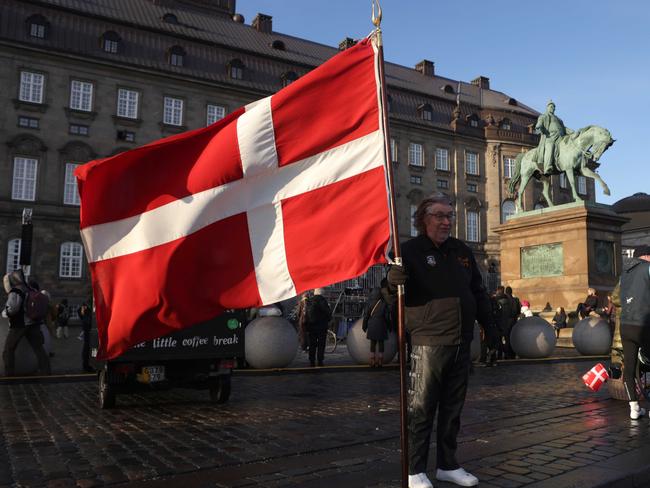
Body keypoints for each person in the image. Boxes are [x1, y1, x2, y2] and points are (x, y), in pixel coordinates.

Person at [387, 193, 498, 488]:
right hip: (428, 341)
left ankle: (447, 465)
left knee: (453, 408)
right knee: (422, 408)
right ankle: (415, 470)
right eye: (440, 215)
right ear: (423, 219)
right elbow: (389, 298)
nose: (447, 221)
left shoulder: (461, 250)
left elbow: (477, 290)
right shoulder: (409, 251)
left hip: (462, 339)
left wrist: (490, 326)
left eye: (450, 216)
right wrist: (390, 282)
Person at [618, 245, 650, 420]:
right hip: (644, 323)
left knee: (629, 366)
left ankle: (634, 408)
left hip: (626, 325)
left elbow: (617, 298)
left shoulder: (624, 274)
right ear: (646, 256)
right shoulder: (648, 268)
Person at [2, 271, 51, 376]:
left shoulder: (15, 291)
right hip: (34, 323)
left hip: (19, 325)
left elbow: (12, 309)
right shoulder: (30, 289)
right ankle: (46, 371)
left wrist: (4, 313)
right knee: (39, 349)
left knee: (8, 350)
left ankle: (9, 374)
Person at [535, 100, 571, 176]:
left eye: (554, 107)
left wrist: (573, 132)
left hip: (561, 137)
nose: (553, 108)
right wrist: (539, 126)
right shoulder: (544, 116)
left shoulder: (559, 119)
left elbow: (565, 128)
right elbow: (539, 123)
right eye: (551, 107)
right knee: (550, 147)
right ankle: (547, 166)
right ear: (547, 107)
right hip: (550, 137)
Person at [362, 278, 393, 367]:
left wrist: (364, 326)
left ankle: (372, 361)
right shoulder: (383, 303)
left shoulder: (369, 303)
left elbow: (366, 316)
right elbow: (387, 317)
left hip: (372, 325)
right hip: (382, 325)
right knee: (381, 344)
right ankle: (380, 361)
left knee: (372, 344)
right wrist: (389, 327)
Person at [297, 288, 331, 367]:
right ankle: (320, 360)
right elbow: (328, 313)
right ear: (322, 293)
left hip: (311, 327)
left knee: (312, 344)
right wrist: (328, 320)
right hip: (322, 327)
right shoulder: (323, 301)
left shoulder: (310, 301)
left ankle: (311, 360)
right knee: (321, 344)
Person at [493, 286, 513, 361]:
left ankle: (499, 355)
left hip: (499, 323)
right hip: (507, 323)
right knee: (507, 340)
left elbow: (496, 313)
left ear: (498, 291)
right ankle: (507, 355)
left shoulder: (497, 302)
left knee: (498, 340)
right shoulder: (509, 301)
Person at [79, 301, 93, 372]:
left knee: (87, 351)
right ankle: (87, 366)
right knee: (87, 351)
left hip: (88, 335)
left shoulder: (87, 316)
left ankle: (87, 366)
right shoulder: (87, 315)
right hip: (88, 335)